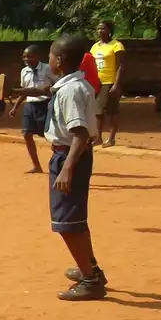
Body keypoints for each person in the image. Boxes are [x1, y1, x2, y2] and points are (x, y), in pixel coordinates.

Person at [43, 34, 107, 301]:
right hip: (72, 155)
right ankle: (89, 268)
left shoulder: (70, 91)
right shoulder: (75, 85)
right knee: (75, 218)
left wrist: (67, 168)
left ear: (60, 60)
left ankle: (90, 281)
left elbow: (79, 133)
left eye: (50, 56)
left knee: (67, 222)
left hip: (70, 156)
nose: (48, 61)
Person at [9, 45, 56, 174]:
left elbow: (56, 85)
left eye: (29, 56)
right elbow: (24, 91)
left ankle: (61, 162)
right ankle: (36, 166)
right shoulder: (24, 71)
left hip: (45, 104)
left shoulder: (47, 69)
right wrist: (15, 107)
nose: (26, 59)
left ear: (37, 56)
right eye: (24, 56)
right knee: (26, 134)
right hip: (30, 105)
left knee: (50, 136)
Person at [91, 21, 126, 147]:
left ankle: (111, 138)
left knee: (111, 111)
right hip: (97, 82)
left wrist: (117, 84)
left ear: (109, 30)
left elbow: (121, 65)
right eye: (98, 28)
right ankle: (98, 137)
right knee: (97, 111)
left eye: (103, 28)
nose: (100, 31)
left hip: (110, 81)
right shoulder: (95, 47)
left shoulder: (116, 45)